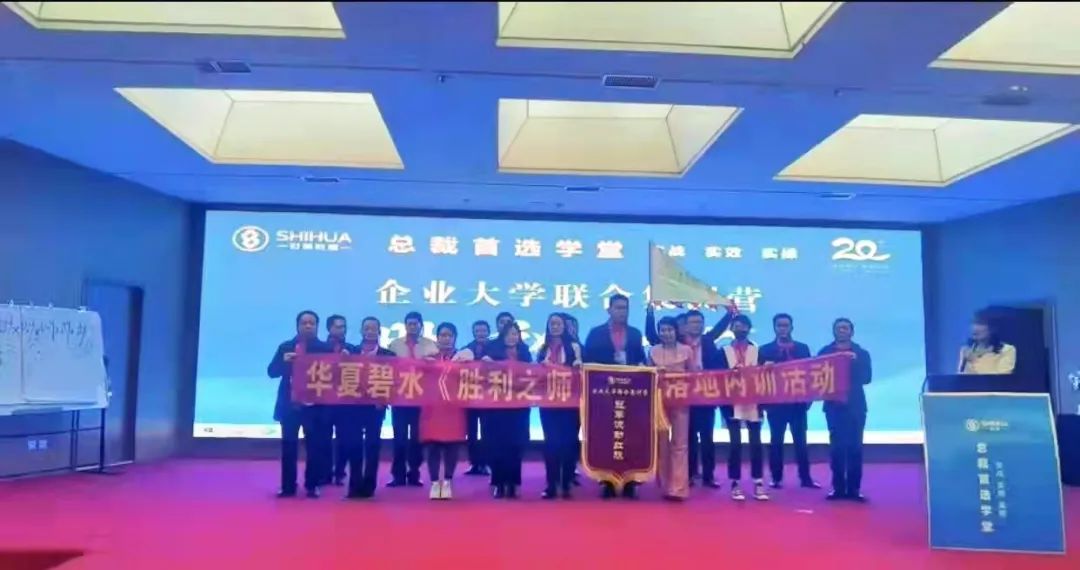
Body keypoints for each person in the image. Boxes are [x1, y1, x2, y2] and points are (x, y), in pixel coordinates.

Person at [647, 306, 733, 488]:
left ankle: (708, 476)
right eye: (693, 322)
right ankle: (689, 474)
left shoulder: (708, 341)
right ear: (684, 326)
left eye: (700, 322)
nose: (697, 325)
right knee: (688, 438)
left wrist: (730, 314)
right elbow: (653, 336)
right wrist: (650, 314)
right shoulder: (677, 343)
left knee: (707, 437)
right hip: (681, 398)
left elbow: (719, 329)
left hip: (705, 396)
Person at [583, 293, 647, 499]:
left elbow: (641, 360)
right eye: (618, 308)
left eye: (625, 308)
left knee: (631, 437)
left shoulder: (635, 334)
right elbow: (587, 361)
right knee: (605, 437)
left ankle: (630, 481)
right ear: (609, 310)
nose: (622, 312)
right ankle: (607, 481)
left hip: (630, 395)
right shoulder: (596, 333)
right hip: (604, 395)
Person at [266, 310, 331, 498]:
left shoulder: (325, 349)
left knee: (314, 448)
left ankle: (312, 485)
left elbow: (335, 376)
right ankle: (288, 486)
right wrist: (284, 362)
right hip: (290, 406)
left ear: (317, 326)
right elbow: (271, 372)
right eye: (304, 323)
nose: (308, 326)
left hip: (315, 407)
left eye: (312, 323)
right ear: (297, 326)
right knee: (289, 447)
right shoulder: (286, 347)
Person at [759, 313, 818, 489]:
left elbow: (810, 374)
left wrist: (809, 398)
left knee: (801, 442)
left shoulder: (802, 349)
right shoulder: (765, 350)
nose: (782, 329)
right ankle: (776, 478)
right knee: (776, 441)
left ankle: (806, 478)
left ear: (792, 327)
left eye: (786, 325)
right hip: (776, 405)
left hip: (798, 404)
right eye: (779, 325)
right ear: (774, 328)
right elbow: (759, 378)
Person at [819, 318, 872, 502]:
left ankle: (854, 489)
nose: (842, 331)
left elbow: (867, 378)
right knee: (837, 448)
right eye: (839, 328)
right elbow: (817, 378)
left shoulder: (861, 353)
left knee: (855, 448)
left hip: (856, 406)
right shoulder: (825, 353)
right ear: (834, 331)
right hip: (834, 407)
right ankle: (838, 488)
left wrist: (855, 363)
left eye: (845, 328)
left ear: (852, 332)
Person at [343, 316, 395, 499]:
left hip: (376, 408)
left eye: (374, 328)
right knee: (353, 446)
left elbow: (394, 382)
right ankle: (354, 485)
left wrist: (385, 399)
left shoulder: (388, 355)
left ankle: (369, 486)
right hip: (353, 407)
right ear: (361, 331)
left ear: (379, 331)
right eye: (367, 328)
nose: (370, 331)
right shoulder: (350, 352)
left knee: (373, 446)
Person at [719, 314, 769, 501]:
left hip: (755, 403)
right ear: (731, 329)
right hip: (732, 403)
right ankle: (735, 482)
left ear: (749, 328)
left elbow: (767, 377)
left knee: (756, 443)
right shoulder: (723, 351)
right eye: (736, 325)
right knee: (735, 444)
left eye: (743, 326)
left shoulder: (758, 351)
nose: (739, 328)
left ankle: (758, 481)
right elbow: (716, 377)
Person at [387, 311, 439, 487]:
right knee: (399, 439)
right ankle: (398, 475)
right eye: (409, 324)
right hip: (400, 398)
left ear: (421, 326)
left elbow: (436, 370)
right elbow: (388, 369)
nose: (412, 327)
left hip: (421, 399)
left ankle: (414, 473)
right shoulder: (394, 345)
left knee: (417, 439)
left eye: (415, 324)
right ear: (405, 325)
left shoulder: (430, 346)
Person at [422, 323, 474, 500]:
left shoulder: (463, 357)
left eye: (449, 335)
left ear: (455, 338)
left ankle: (448, 481)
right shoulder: (428, 358)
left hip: (454, 408)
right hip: (432, 408)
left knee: (452, 445)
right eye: (442, 335)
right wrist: (423, 364)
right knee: (432, 446)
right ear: (437, 338)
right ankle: (434, 483)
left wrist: (468, 364)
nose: (446, 339)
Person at [483, 322, 533, 499]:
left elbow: (532, 375)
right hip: (498, 407)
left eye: (516, 334)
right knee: (498, 446)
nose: (513, 337)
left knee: (516, 446)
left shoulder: (525, 352)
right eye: (510, 334)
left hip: (519, 407)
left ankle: (514, 483)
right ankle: (499, 482)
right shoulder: (492, 351)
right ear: (503, 335)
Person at [537, 313, 583, 500]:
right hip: (548, 403)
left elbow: (582, 369)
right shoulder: (543, 349)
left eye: (558, 323)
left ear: (564, 326)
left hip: (570, 403)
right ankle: (551, 484)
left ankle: (566, 482)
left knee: (569, 442)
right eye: (552, 324)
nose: (555, 326)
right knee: (551, 443)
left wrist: (578, 365)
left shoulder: (574, 347)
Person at [648, 316, 693, 501]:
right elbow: (648, 376)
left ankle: (679, 488)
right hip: (660, 402)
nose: (666, 333)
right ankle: (666, 486)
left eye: (669, 330)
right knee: (661, 443)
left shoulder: (687, 350)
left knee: (680, 444)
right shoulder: (653, 351)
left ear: (676, 331)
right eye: (662, 330)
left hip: (681, 401)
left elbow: (694, 376)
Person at [323, 314, 351, 487]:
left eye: (344, 327)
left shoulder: (352, 349)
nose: (342, 330)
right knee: (323, 438)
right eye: (338, 327)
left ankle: (340, 472)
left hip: (345, 402)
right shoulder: (318, 348)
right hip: (324, 401)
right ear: (329, 328)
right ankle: (325, 472)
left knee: (344, 439)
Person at [463, 320, 492, 477]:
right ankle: (474, 463)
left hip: (489, 398)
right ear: (473, 333)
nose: (481, 333)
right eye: (478, 331)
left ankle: (487, 463)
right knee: (471, 432)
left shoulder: (495, 349)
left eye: (483, 331)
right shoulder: (466, 349)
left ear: (488, 332)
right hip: (471, 397)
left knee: (488, 432)